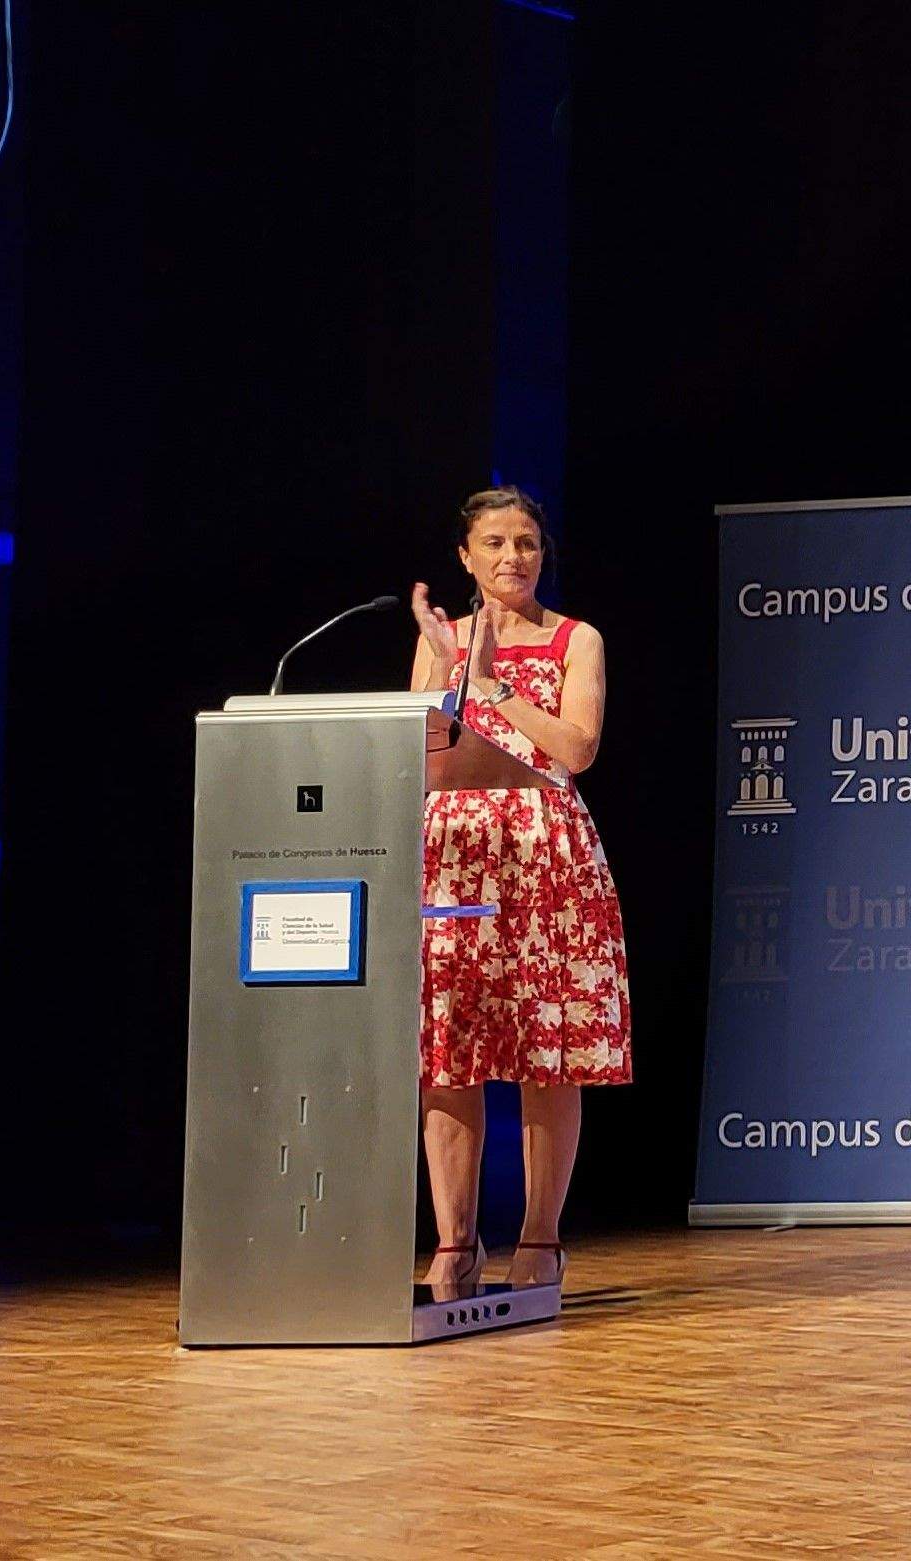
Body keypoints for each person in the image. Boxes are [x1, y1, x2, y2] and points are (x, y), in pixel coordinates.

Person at [407, 487, 633, 1295]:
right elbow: (418, 749)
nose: (513, 557)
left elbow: (575, 747)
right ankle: (454, 1240)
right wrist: (445, 664)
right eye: (495, 543)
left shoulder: (577, 639)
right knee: (449, 1049)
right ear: (464, 557)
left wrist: (499, 684)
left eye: (528, 542)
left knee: (550, 1048)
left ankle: (540, 1234)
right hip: (455, 852)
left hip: (544, 854)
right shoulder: (444, 637)